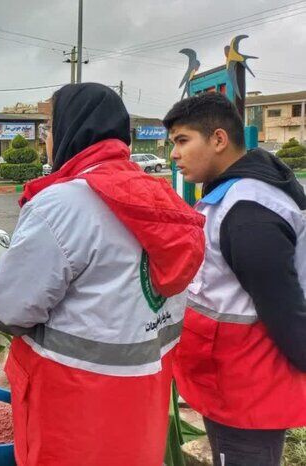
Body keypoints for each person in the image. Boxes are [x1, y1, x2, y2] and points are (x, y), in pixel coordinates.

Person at [0, 83, 205, 466]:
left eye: (50, 128)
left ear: (71, 129)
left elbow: (5, 309)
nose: (46, 139)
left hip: (73, 415)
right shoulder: (161, 197)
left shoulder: (64, 204)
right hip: (143, 405)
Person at [164, 93, 306, 466]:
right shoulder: (235, 195)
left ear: (219, 139)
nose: (174, 155)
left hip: (248, 395)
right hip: (235, 386)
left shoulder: (248, 213)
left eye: (182, 140)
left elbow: (284, 308)